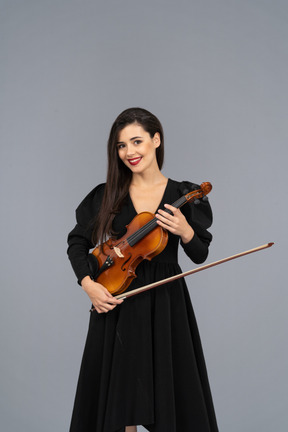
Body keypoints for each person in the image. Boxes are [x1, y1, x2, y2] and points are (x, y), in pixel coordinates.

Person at [67, 108, 218, 432]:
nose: (129, 152)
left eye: (136, 141)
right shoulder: (108, 193)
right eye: (121, 146)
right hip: (117, 299)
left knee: (170, 405)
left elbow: (200, 254)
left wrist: (185, 230)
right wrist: (88, 284)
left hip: (165, 304)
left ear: (156, 140)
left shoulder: (182, 194)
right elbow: (77, 242)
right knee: (118, 410)